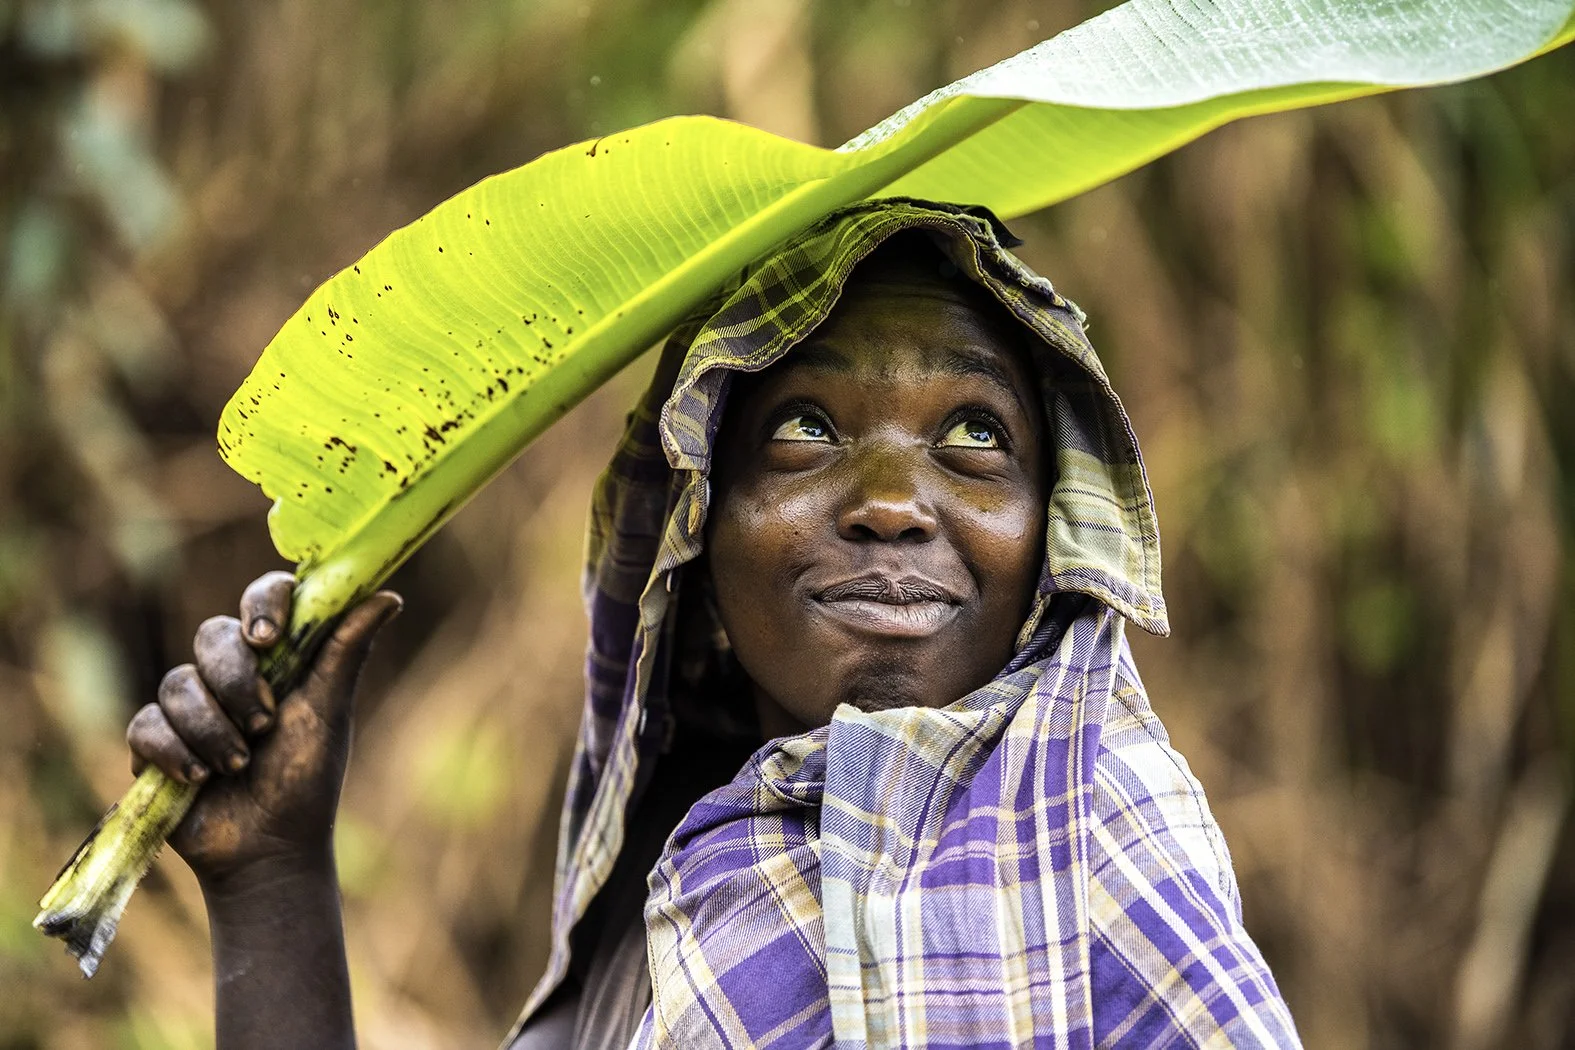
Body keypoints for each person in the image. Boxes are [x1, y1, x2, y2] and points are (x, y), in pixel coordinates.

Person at [127, 199, 1302, 1048]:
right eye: (804, 429)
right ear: (696, 540)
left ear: (1053, 543)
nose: (894, 503)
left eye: (977, 436)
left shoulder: (1105, 845)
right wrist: (271, 875)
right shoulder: (669, 911)